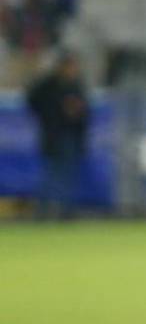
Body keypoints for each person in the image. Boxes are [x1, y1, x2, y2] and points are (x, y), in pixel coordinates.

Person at [27, 49, 89, 218]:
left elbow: (85, 112)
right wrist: (52, 114)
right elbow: (33, 100)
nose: (72, 70)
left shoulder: (76, 85)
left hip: (71, 136)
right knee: (51, 175)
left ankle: (65, 210)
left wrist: (76, 113)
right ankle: (43, 211)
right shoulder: (48, 85)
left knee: (67, 175)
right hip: (53, 136)